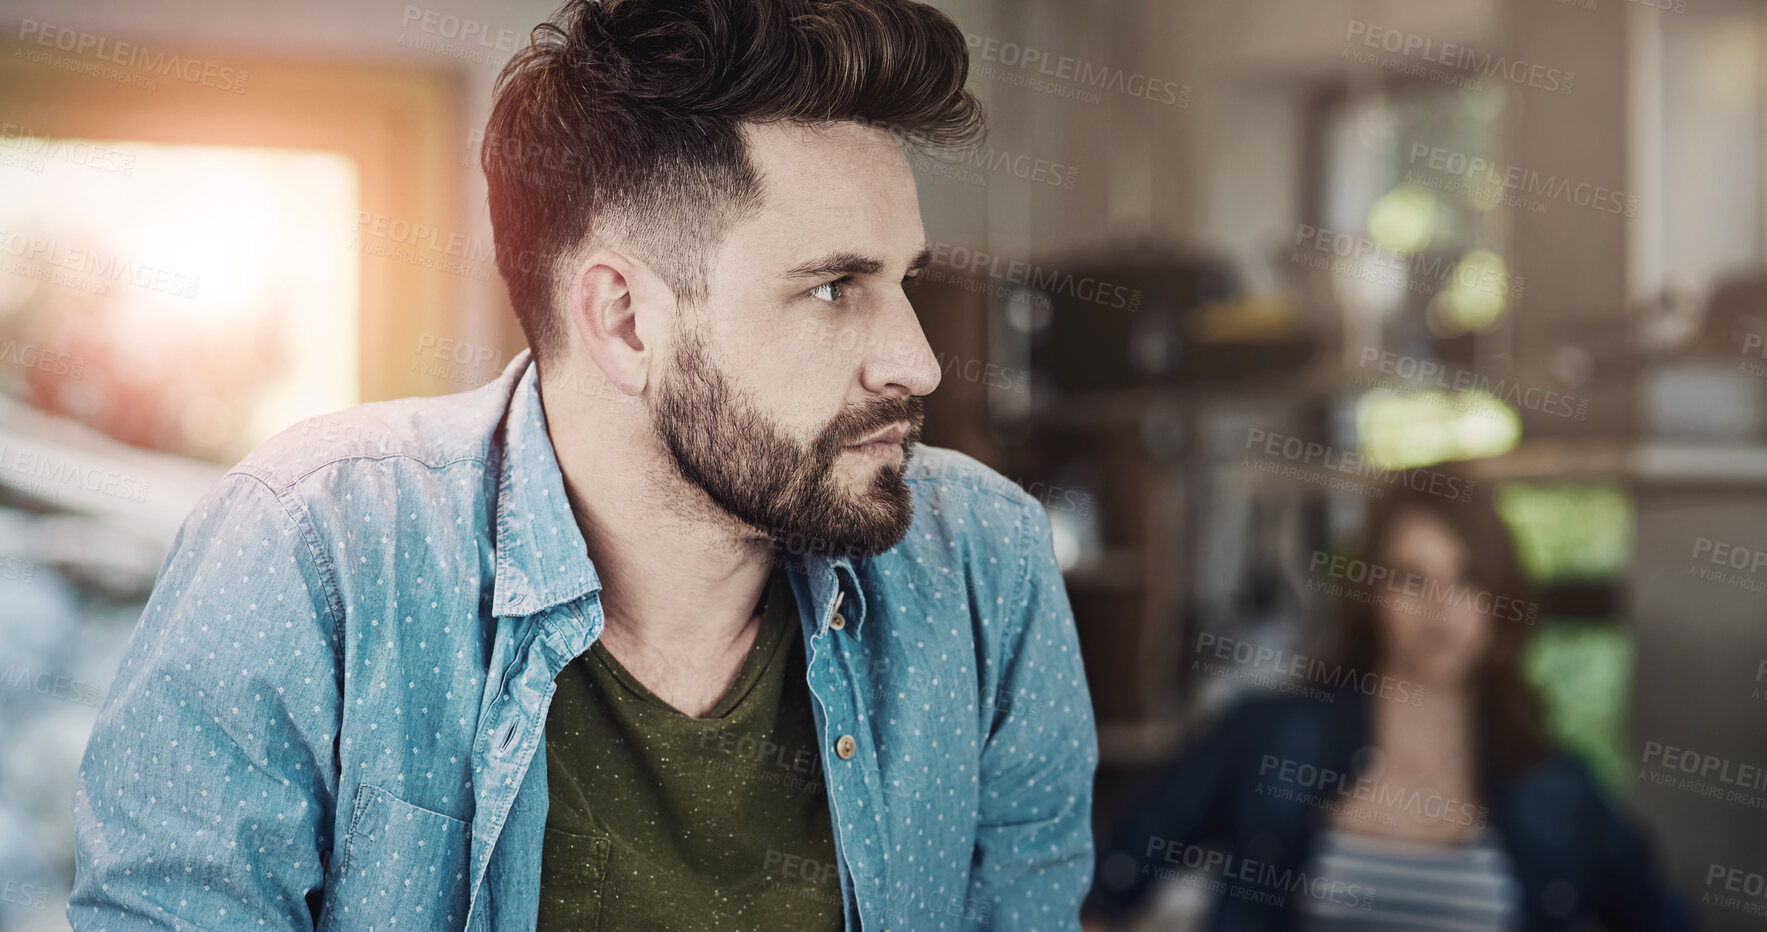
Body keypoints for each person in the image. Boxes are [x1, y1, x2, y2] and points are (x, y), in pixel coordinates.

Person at [68, 1, 1097, 929]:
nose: (917, 359)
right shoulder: (311, 550)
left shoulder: (985, 563)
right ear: (623, 317)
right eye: (834, 287)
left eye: (903, 278)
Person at [1083, 483, 1693, 931]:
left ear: (1499, 599)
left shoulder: (1556, 789)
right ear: (1370, 595)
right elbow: (1101, 887)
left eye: (1467, 578)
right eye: (1412, 578)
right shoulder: (1268, 739)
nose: (1440, 607)